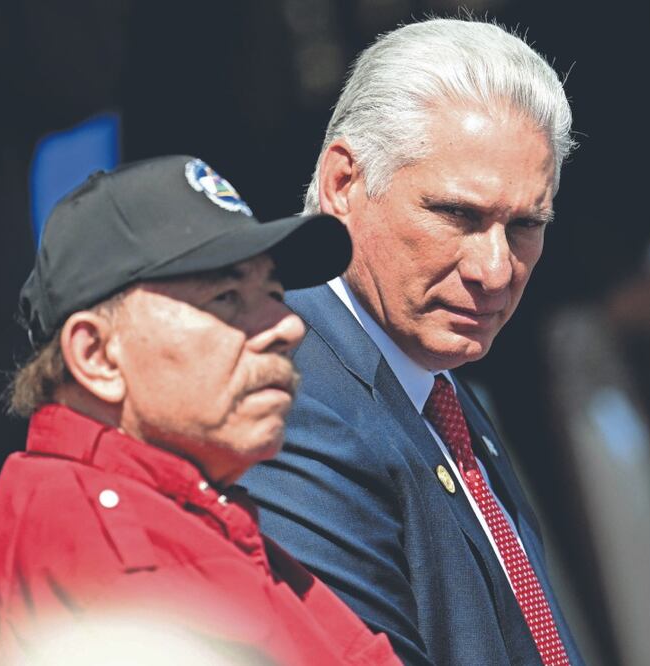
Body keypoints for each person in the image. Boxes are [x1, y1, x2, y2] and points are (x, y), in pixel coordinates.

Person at [0, 155, 400, 666]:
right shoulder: (107, 568)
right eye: (226, 296)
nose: (289, 326)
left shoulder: (174, 513)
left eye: (272, 292)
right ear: (97, 356)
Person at [241, 18, 584, 666]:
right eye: (457, 215)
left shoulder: (432, 377)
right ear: (344, 182)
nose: (494, 269)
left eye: (524, 225)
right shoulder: (290, 399)